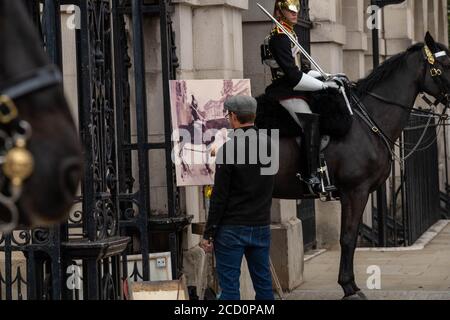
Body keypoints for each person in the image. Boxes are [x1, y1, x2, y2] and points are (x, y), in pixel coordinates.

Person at [200, 95, 276, 301]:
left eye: (228, 115)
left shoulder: (228, 150)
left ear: (233, 116)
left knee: (230, 289)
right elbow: (268, 185)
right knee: (264, 286)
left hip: (231, 228)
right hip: (260, 224)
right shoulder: (271, 146)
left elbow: (219, 197)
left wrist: (208, 233)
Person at [263, 0, 340, 193]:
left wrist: (328, 77)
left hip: (296, 86)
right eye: (290, 10)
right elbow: (292, 75)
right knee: (310, 123)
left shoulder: (291, 34)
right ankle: (310, 175)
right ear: (280, 11)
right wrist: (323, 86)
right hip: (286, 89)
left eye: (296, 9)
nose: (295, 13)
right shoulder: (279, 37)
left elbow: (303, 69)